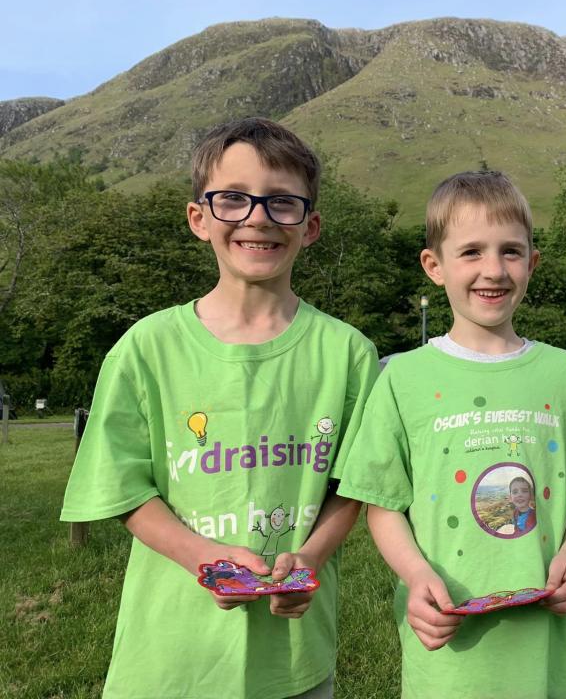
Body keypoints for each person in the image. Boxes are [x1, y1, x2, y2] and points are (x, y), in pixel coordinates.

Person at [59, 118, 379, 699]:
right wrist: (202, 557)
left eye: (282, 202)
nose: (257, 217)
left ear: (311, 226)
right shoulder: (145, 348)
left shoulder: (349, 353)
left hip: (294, 660)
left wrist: (308, 558)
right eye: (233, 199)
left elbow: (354, 485)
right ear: (199, 218)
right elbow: (121, 488)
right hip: (168, 656)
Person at [334, 170, 566, 698]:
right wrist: (417, 575)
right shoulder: (403, 378)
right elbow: (383, 504)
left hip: (551, 651)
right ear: (434, 266)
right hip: (450, 649)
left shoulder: (565, 375)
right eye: (471, 252)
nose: (494, 270)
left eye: (511, 252)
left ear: (532, 263)